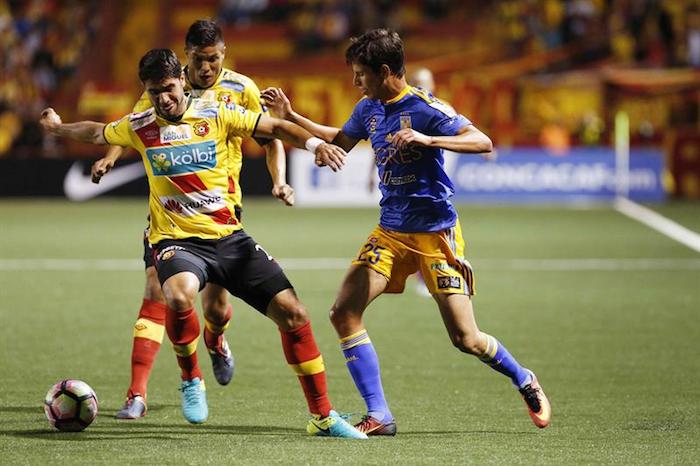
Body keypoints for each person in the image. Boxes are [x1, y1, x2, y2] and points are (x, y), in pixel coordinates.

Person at [39, 48, 366, 439]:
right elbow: (96, 132)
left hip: (229, 237)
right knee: (178, 296)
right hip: (176, 241)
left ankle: (323, 416)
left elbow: (275, 129)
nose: (163, 98)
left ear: (181, 78)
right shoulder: (140, 124)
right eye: (154, 91)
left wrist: (316, 146)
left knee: (293, 313)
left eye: (169, 88)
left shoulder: (217, 112)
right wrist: (58, 129)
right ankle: (191, 378)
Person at [261, 28, 551, 436]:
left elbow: (482, 141)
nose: (355, 82)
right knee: (343, 312)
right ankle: (379, 414)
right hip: (391, 231)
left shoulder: (427, 108)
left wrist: (428, 138)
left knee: (465, 338)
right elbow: (340, 140)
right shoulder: (369, 108)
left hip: (436, 235)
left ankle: (524, 378)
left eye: (360, 74)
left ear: (384, 71)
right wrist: (290, 117)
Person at [91, 20, 294, 420]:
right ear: (185, 57)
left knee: (215, 309)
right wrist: (108, 158)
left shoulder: (242, 90)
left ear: (224, 54)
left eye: (214, 59)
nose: (206, 67)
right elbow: (129, 129)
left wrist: (279, 182)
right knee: (156, 290)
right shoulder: (163, 86)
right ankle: (137, 394)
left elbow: (270, 139)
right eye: (199, 60)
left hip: (220, 213)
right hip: (168, 217)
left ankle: (216, 341)